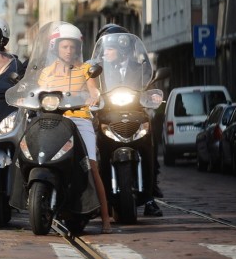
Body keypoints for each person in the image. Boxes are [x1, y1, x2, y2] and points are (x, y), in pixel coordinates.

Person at [38, 23, 113, 234]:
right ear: (55, 48)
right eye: (64, 47)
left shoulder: (86, 70)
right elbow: (37, 93)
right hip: (54, 120)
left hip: (80, 119)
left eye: (72, 47)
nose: (69, 51)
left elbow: (93, 91)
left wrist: (93, 97)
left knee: (91, 164)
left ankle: (106, 217)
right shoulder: (46, 72)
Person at [94, 24, 162, 217]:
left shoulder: (139, 67)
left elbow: (149, 81)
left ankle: (150, 195)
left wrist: (152, 94)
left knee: (149, 143)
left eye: (110, 48)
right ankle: (101, 197)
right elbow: (87, 87)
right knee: (98, 150)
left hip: (135, 112)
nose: (105, 52)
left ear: (123, 48)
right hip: (107, 113)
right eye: (104, 48)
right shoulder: (97, 71)